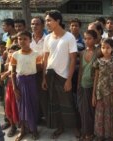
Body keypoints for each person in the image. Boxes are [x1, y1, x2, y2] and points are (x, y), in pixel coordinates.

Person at [42, 10, 78, 139]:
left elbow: (73, 59)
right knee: (54, 103)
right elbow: (45, 59)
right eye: (46, 20)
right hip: (50, 75)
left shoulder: (69, 37)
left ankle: (75, 128)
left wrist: (69, 79)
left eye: (49, 20)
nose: (47, 23)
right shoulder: (47, 38)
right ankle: (60, 127)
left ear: (57, 21)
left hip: (64, 76)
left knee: (68, 103)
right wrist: (43, 79)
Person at [11, 31, 42, 141]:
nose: (22, 41)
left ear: (30, 40)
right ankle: (23, 130)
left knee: (33, 106)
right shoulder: (15, 55)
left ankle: (34, 130)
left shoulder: (36, 54)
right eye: (20, 39)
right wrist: (15, 87)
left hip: (32, 82)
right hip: (20, 82)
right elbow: (13, 72)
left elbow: (39, 69)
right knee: (21, 107)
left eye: (25, 39)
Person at [92, 38, 113, 141]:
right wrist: (93, 95)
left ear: (112, 49)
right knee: (101, 113)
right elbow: (96, 78)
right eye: (103, 47)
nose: (105, 50)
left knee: (111, 113)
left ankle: (111, 135)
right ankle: (101, 135)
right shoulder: (98, 62)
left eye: (108, 48)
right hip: (100, 92)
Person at [77, 30, 98, 141]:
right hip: (83, 86)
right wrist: (78, 85)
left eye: (89, 38)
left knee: (91, 111)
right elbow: (80, 70)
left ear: (95, 40)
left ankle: (90, 133)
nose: (87, 41)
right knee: (83, 111)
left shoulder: (98, 52)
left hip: (93, 86)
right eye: (85, 38)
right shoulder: (82, 53)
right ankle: (85, 132)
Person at [30, 16, 48, 124]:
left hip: (43, 72)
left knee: (43, 97)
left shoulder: (48, 39)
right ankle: (35, 119)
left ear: (42, 25)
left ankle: (47, 119)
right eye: (32, 24)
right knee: (32, 97)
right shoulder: (27, 38)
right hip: (30, 73)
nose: (34, 26)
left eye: (37, 24)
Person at [0, 44, 20, 138]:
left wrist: (6, 73)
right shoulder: (7, 62)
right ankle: (12, 126)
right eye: (10, 51)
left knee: (19, 107)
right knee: (9, 107)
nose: (11, 53)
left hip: (19, 86)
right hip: (9, 86)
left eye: (13, 52)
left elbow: (13, 71)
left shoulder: (20, 59)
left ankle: (23, 127)